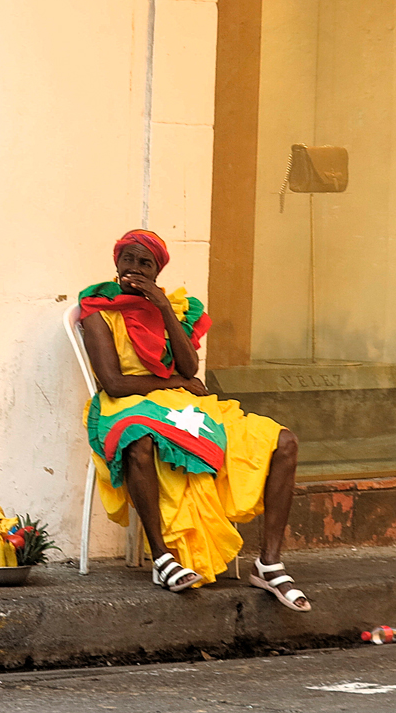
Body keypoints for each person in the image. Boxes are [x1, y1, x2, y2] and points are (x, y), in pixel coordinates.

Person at [79, 230, 310, 612]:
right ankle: (162, 557)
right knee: (137, 439)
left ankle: (269, 563)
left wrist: (163, 309)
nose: (134, 269)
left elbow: (189, 366)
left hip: (184, 404)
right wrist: (176, 382)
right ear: (116, 262)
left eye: (145, 264)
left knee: (283, 442)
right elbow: (115, 383)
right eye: (128, 260)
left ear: (157, 272)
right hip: (124, 405)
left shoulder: (175, 308)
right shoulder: (98, 311)